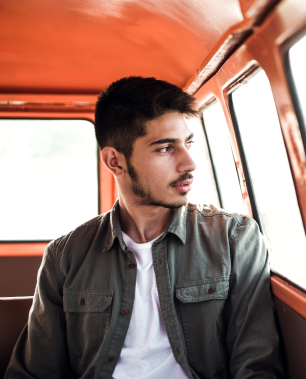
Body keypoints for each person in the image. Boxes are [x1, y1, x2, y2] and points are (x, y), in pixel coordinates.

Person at [6, 76, 284, 379]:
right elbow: (34, 372)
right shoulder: (66, 255)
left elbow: (256, 366)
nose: (189, 163)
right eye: (165, 148)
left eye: (188, 143)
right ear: (116, 162)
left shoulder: (235, 238)